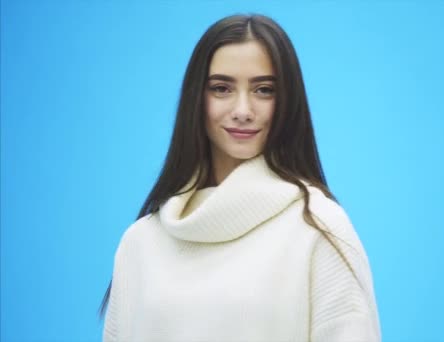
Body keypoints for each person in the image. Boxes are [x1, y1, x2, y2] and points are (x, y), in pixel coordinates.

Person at [100, 13, 381, 342]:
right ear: (196, 98)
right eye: (221, 88)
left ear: (288, 101)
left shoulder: (319, 229)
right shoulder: (141, 244)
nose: (243, 109)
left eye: (264, 90)